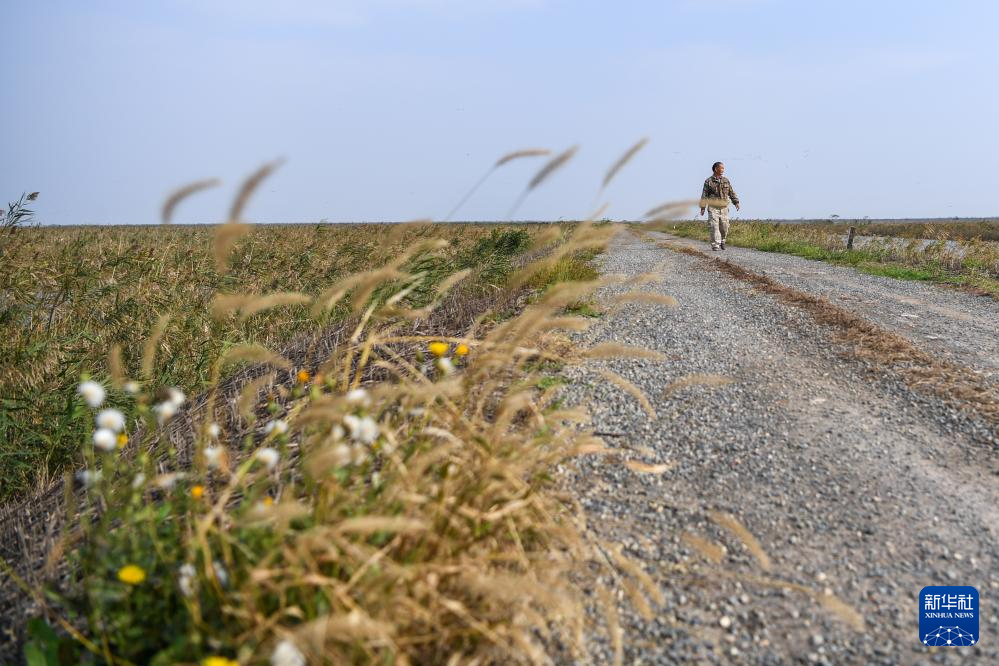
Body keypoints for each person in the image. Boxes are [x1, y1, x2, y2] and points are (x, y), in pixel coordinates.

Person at [699, 162, 740, 250]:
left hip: (724, 207)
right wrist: (702, 208)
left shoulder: (726, 180)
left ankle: (723, 240)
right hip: (713, 207)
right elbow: (704, 195)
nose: (723, 170)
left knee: (724, 227)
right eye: (721, 168)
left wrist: (736, 202)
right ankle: (715, 245)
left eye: (723, 168)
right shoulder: (708, 181)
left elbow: (731, 192)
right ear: (715, 169)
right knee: (714, 226)